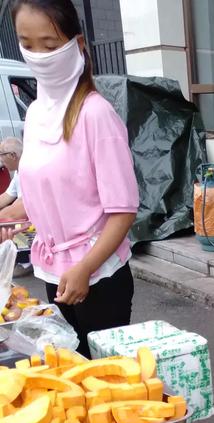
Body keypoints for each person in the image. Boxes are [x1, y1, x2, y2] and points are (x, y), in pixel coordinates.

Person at [4, 0, 139, 357]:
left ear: (77, 44)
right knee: (69, 374)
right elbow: (36, 195)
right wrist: (8, 216)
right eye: (27, 44)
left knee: (104, 383)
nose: (38, 56)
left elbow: (123, 210)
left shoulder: (96, 114)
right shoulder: (34, 114)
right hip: (53, 273)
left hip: (98, 275)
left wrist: (85, 269)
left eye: (49, 45)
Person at [0, 137, 27, 221]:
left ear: (12, 155)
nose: (1, 162)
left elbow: (21, 203)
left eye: (1, 154)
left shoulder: (28, 173)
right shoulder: (17, 173)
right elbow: (7, 196)